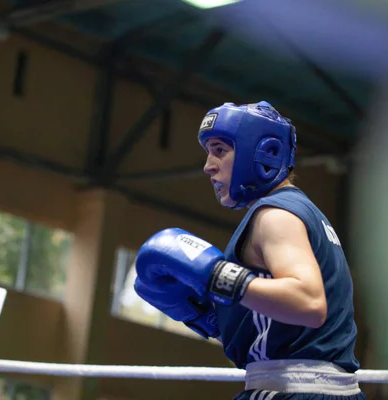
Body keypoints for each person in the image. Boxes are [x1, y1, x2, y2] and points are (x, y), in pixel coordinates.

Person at [134, 101, 366, 399]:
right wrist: (214, 319)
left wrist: (217, 276)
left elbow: (309, 304)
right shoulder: (305, 213)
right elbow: (284, 328)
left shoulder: (275, 217)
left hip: (292, 390)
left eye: (219, 150)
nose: (208, 166)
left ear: (263, 153)